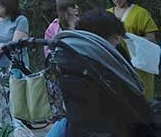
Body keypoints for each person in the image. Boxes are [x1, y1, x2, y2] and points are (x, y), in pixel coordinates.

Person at [46, 9, 135, 137]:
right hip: (109, 123)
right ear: (100, 37)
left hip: (76, 122)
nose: (118, 40)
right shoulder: (112, 58)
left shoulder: (70, 57)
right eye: (115, 36)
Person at [0, 0, 33, 137]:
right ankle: (6, 132)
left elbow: (16, 43)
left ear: (7, 5)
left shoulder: (20, 20)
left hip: (15, 68)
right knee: (2, 102)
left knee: (16, 102)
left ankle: (21, 132)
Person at [108, 0, 158, 101]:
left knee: (143, 97)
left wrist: (132, 39)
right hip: (117, 61)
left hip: (138, 62)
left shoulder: (141, 13)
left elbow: (152, 38)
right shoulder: (107, 14)